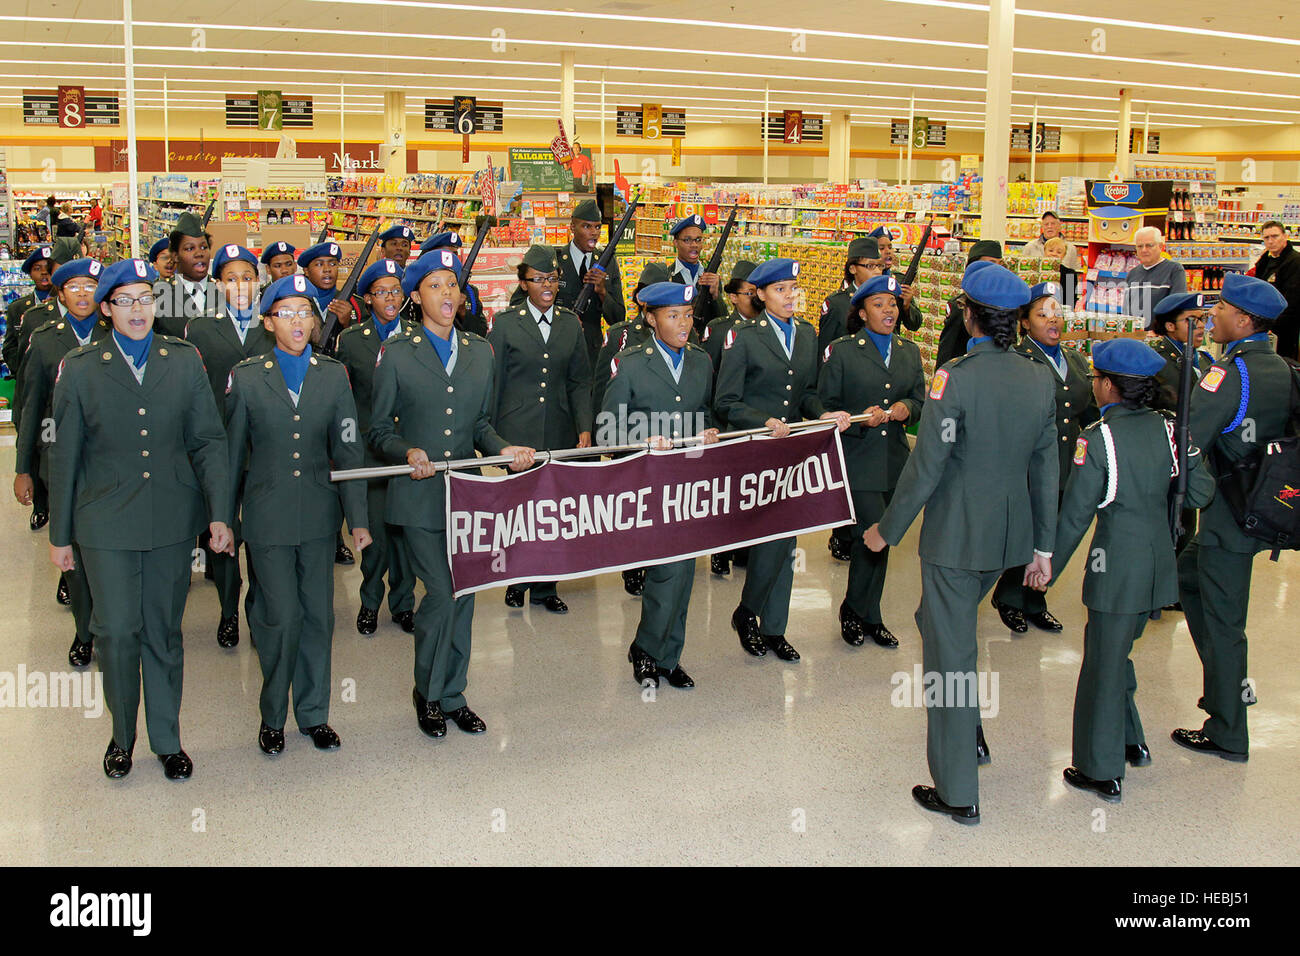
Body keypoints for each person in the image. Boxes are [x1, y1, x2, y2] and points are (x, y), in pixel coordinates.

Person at [863, 263, 1059, 825]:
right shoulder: (1038, 376)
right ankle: (970, 733)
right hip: (1008, 541)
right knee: (938, 623)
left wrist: (886, 530)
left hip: (955, 540)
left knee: (950, 660)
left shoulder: (956, 376)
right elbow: (1046, 469)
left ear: (969, 315)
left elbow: (928, 464)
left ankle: (956, 790)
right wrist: (1042, 548)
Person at [48, 258, 232, 780]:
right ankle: (121, 736)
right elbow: (64, 458)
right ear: (106, 309)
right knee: (118, 632)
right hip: (104, 524)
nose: (137, 310)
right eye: (125, 300)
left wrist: (219, 513)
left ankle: (167, 739)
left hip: (171, 520)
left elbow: (208, 441)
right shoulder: (81, 369)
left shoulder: (183, 360)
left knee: (162, 633)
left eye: (145, 299)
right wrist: (60, 536)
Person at [368, 249, 535, 739]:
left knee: (465, 596)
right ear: (415, 297)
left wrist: (506, 450)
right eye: (435, 285)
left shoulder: (480, 352)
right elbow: (377, 430)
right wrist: (407, 450)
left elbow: (481, 425)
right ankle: (428, 692)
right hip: (418, 498)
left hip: (468, 497)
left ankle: (454, 694)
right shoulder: (397, 353)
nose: (446, 294)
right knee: (441, 593)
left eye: (452, 285)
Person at [1045, 339, 1215, 803]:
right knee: (1118, 654)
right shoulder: (1171, 431)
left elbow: (1077, 516)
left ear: (1108, 386)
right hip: (1159, 570)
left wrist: (1046, 569)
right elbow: (1199, 494)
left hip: (1116, 573)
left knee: (1102, 665)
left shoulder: (1098, 439)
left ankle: (1100, 770)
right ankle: (1131, 739)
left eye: (1097, 378)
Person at [225, 274, 370, 756]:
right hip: (266, 517)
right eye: (285, 314)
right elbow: (230, 457)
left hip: (317, 516)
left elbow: (348, 449)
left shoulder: (333, 374)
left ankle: (314, 714)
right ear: (269, 322)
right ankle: (272, 716)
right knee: (280, 617)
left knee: (318, 618)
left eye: (304, 313)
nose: (297, 323)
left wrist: (359, 519)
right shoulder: (247, 377)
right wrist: (223, 519)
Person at [1174, 273, 1294, 763]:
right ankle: (1225, 688)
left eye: (1219, 308)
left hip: (1227, 515)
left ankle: (1228, 727)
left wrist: (1193, 492)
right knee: (1189, 576)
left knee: (1225, 622)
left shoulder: (1228, 374)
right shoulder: (1283, 369)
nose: (1211, 316)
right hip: (1263, 506)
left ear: (1243, 320)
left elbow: (1190, 436)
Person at [715, 257, 850, 662]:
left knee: (787, 539)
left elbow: (806, 390)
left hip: (794, 453)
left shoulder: (807, 335)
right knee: (771, 540)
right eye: (780, 290)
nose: (790, 296)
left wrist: (821, 412)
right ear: (760, 294)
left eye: (793, 287)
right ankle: (748, 612)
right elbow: (726, 401)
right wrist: (763, 421)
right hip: (758, 452)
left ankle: (774, 628)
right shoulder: (744, 337)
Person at [601, 279, 719, 688]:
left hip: (689, 481)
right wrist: (641, 441)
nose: (683, 323)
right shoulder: (630, 363)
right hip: (647, 482)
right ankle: (647, 649)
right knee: (665, 571)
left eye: (687, 315)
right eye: (672, 316)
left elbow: (702, 410)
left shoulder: (701, 361)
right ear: (651, 319)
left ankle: (670, 654)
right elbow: (608, 431)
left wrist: (707, 432)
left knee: (685, 573)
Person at [818, 274, 925, 649]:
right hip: (858, 460)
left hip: (894, 462)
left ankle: (865, 612)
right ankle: (858, 612)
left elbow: (919, 401)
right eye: (879, 305)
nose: (889, 311)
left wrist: (903, 408)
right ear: (862, 313)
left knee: (885, 539)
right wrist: (856, 416)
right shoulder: (843, 351)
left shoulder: (909, 352)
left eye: (893, 304)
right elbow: (823, 405)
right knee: (872, 535)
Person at [13, 258, 109, 667]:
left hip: (109, 462)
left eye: (91, 285)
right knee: (72, 551)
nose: (84, 293)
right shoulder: (46, 339)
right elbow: (30, 406)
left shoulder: (119, 332)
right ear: (60, 293)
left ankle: (112, 624)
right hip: (61, 462)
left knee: (106, 550)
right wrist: (23, 469)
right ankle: (84, 630)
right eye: (75, 286)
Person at [989, 282, 1098, 634]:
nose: (1053, 321)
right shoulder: (1018, 360)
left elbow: (1089, 410)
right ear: (1024, 322)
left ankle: (1035, 600)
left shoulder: (1076, 359)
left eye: (1057, 313)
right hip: (1031, 466)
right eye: (1042, 314)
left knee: (1055, 537)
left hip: (1069, 465)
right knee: (1029, 534)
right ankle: (1009, 596)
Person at [491, 244, 593, 615]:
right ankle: (517, 580)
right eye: (539, 280)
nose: (547, 285)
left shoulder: (570, 323)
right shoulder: (505, 324)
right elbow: (495, 380)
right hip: (517, 428)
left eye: (552, 278)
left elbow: (580, 380)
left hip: (560, 428)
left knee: (551, 509)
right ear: (524, 283)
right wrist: (494, 437)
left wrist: (584, 426)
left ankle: (546, 586)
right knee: (519, 508)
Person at [185, 243, 275, 648]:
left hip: (264, 452)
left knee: (258, 535)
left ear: (260, 282)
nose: (240, 286)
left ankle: (258, 610)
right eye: (231, 278)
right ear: (217, 284)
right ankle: (227, 610)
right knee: (221, 532)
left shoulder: (273, 325)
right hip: (219, 452)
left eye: (248, 277)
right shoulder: (200, 330)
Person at [336, 259, 418, 635]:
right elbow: (343, 398)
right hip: (369, 453)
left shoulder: (418, 335)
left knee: (405, 536)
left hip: (410, 452)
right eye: (382, 291)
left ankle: (403, 603)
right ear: (367, 298)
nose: (390, 298)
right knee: (375, 538)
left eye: (396, 291)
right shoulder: (352, 341)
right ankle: (370, 601)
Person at [508, 201, 625, 362]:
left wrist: (602, 292)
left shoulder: (608, 264)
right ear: (572, 227)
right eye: (586, 226)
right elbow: (518, 304)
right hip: (554, 349)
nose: (594, 233)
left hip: (591, 354)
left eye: (597, 227)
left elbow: (618, 318)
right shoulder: (553, 260)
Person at [701, 259, 758, 577]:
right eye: (749, 292)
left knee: (750, 489)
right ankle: (721, 551)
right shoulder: (719, 328)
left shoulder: (768, 328)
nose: (755, 298)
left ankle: (746, 548)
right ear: (733, 296)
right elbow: (709, 378)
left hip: (756, 421)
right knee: (724, 492)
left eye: (757, 292)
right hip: (725, 421)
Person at [935, 241, 1002, 367]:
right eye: (991, 263)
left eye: (1000, 265)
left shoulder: (1004, 305)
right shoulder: (960, 306)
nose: (996, 270)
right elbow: (948, 349)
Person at [154, 211, 215, 337]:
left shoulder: (224, 292)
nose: (199, 254)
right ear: (175, 256)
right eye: (189, 248)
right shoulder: (158, 295)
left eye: (204, 247)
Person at [1148, 292, 1214, 408]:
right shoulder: (1156, 362)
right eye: (1192, 320)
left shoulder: (1205, 359)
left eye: (1202, 318)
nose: (1201, 325)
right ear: (1170, 326)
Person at [297, 241, 361, 357]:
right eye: (319, 264)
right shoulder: (296, 304)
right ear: (306, 271)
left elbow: (363, 350)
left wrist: (349, 324)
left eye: (332, 264)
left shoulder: (356, 304)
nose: (327, 269)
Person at [419, 231, 488, 336]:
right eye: (445, 256)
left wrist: (462, 312)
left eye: (454, 255)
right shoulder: (418, 291)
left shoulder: (470, 292)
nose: (450, 260)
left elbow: (481, 332)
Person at [666, 214, 726, 334]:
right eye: (687, 240)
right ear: (676, 243)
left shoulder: (711, 277)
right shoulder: (667, 277)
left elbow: (722, 319)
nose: (694, 245)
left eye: (698, 240)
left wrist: (716, 295)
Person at [3, 246, 56, 378]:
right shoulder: (17, 308)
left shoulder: (68, 305)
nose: (44, 273)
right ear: (30, 274)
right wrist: (23, 372)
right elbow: (10, 348)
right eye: (37, 269)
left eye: (49, 269)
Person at [1252, 220, 1300, 359]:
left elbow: (1292, 301)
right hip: (1264, 324)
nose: (1271, 241)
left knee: (1284, 362)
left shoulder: (1295, 262)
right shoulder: (1265, 260)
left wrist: (1272, 325)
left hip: (1284, 327)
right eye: (1267, 238)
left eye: (1275, 236)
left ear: (1285, 236)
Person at [1124, 226, 1186, 323]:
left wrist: (1159, 331)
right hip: (1136, 335)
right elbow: (1127, 310)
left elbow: (1178, 306)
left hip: (1159, 335)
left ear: (1160, 246)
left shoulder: (1174, 270)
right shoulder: (1132, 274)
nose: (1144, 250)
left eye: (1149, 245)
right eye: (1140, 246)